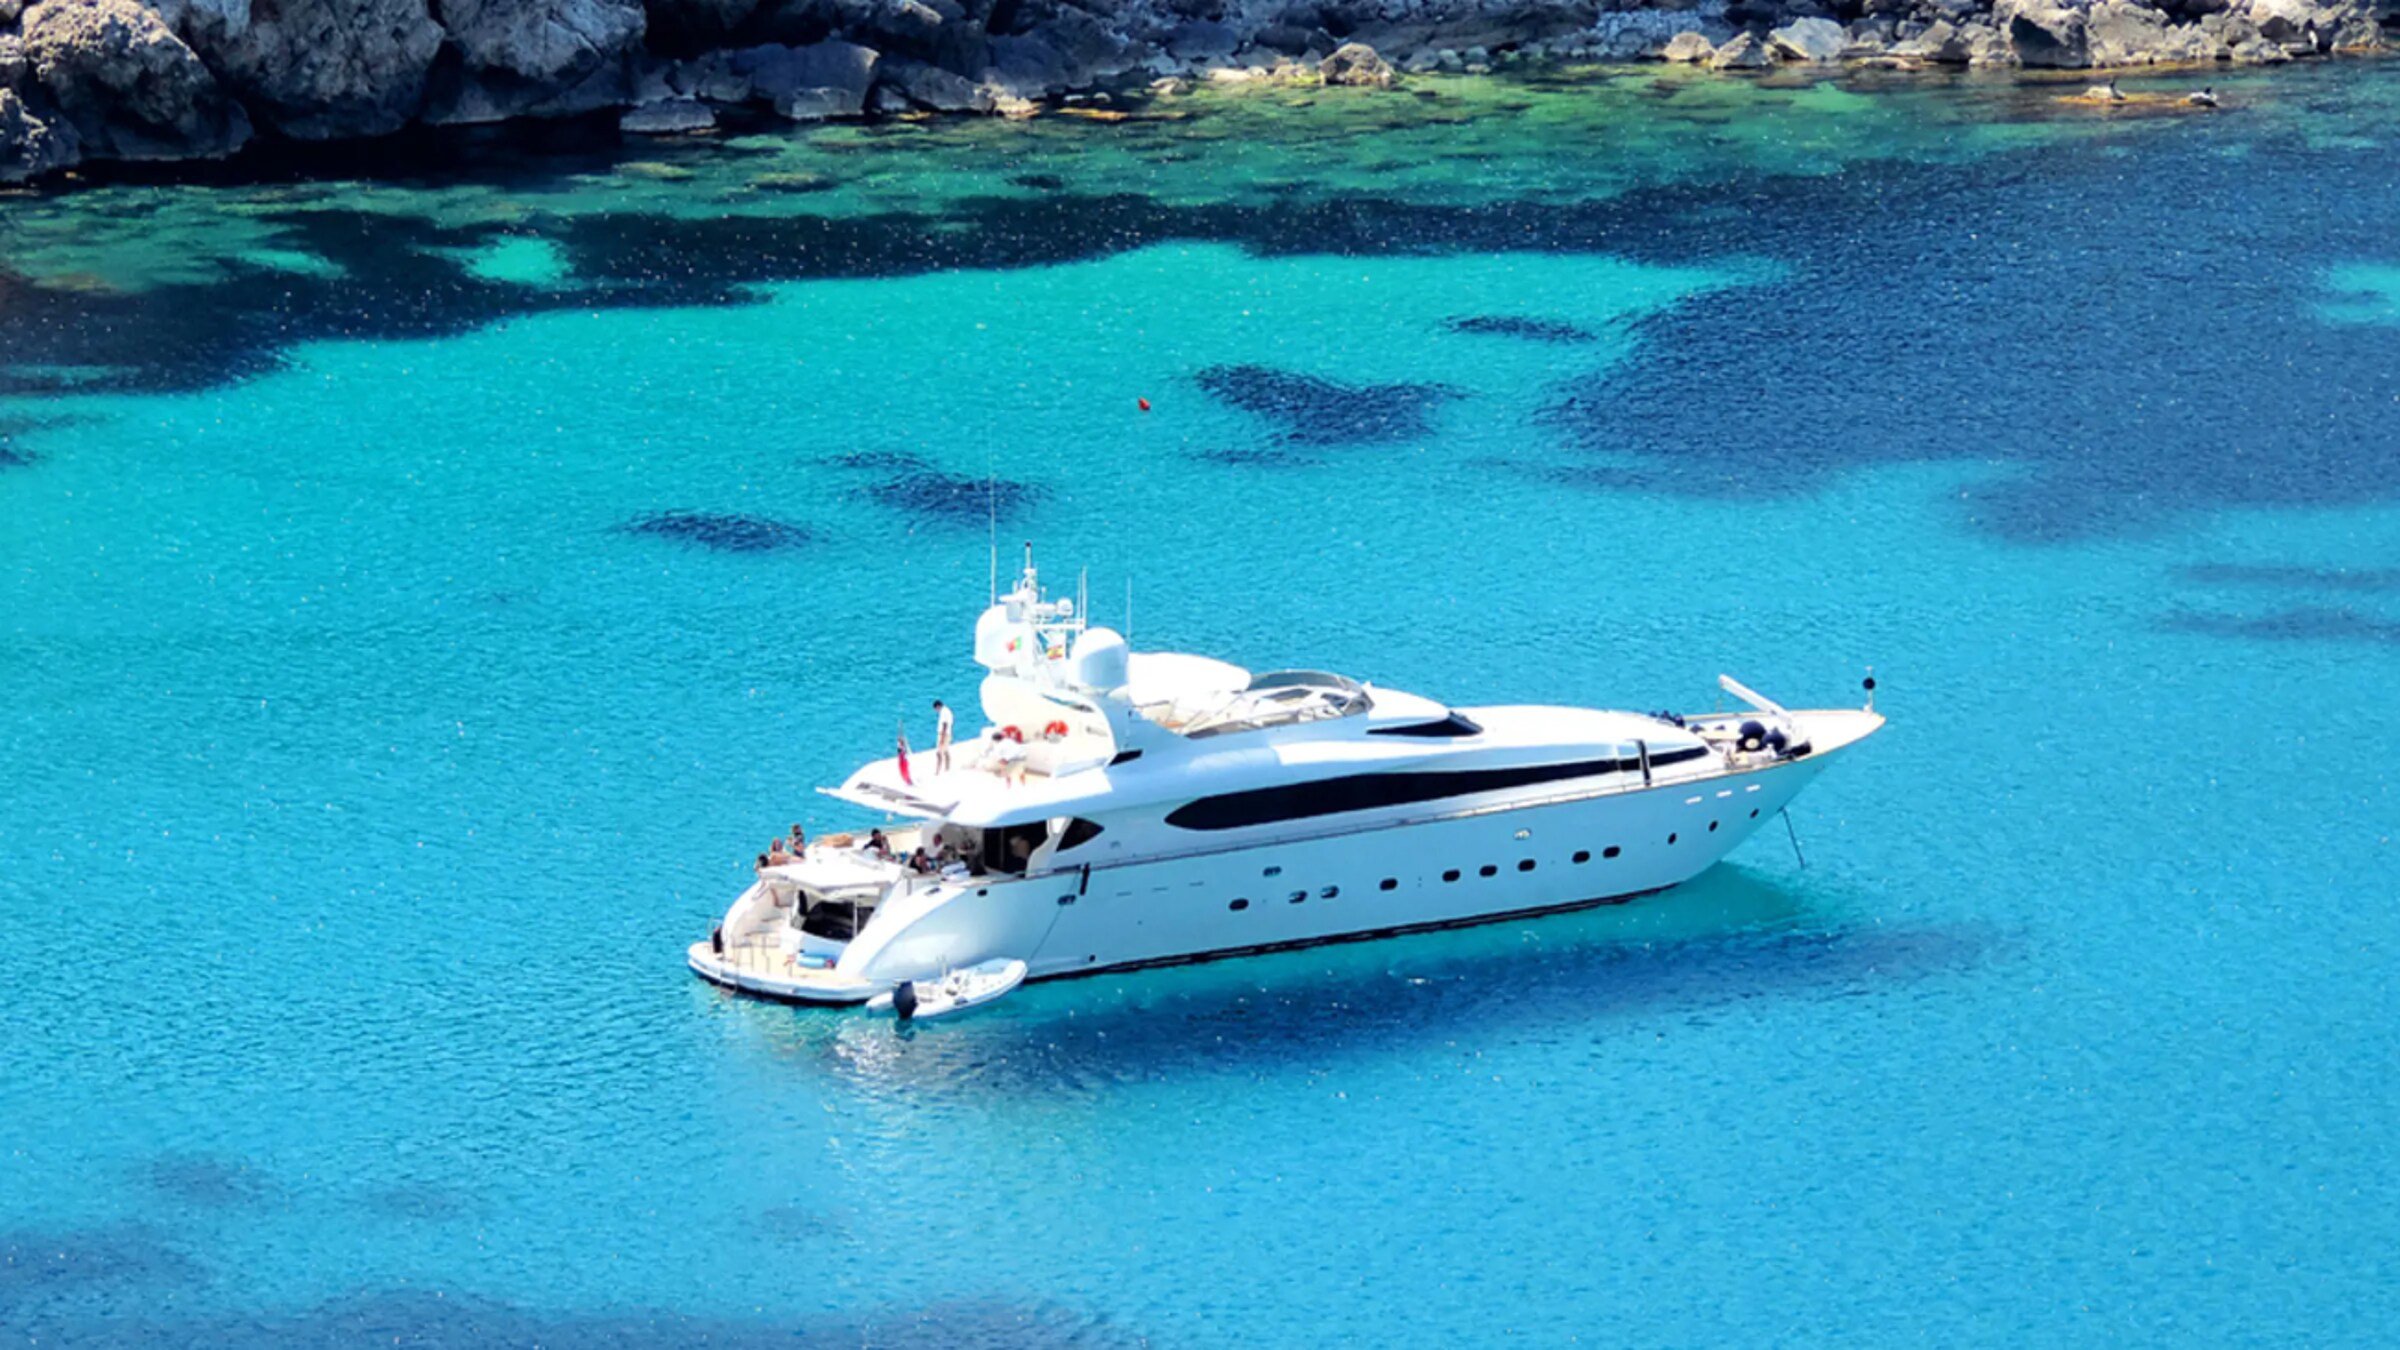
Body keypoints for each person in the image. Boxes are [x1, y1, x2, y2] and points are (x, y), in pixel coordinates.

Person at [932, 699, 954, 775]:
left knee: (939, 753)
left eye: (936, 709)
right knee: (945, 751)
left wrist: (942, 738)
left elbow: (945, 725)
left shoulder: (944, 712)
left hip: (943, 734)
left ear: (938, 706)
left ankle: (938, 771)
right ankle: (947, 768)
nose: (936, 711)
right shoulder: (947, 711)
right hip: (947, 734)